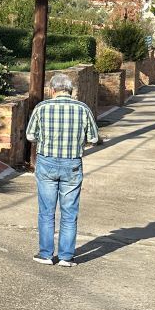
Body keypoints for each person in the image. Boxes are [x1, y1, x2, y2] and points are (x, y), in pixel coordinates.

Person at [25, 73, 101, 267]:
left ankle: (46, 254)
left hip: (47, 162)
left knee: (46, 211)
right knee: (69, 212)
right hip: (72, 164)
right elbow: (93, 138)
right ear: (71, 90)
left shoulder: (41, 107)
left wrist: (45, 139)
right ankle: (66, 257)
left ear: (52, 90)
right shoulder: (82, 108)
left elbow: (30, 135)